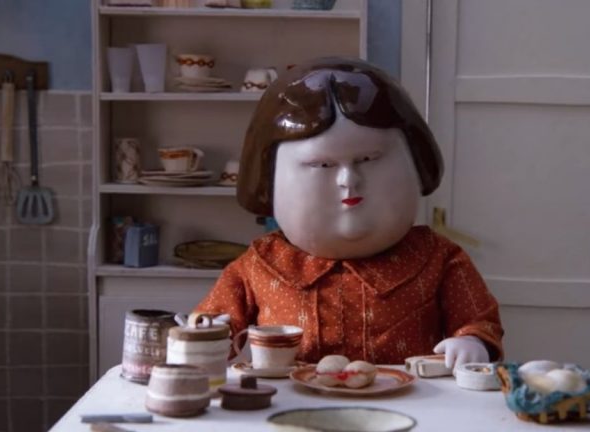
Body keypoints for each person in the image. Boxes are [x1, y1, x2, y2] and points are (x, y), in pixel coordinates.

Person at [190, 57, 503, 368]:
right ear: (269, 179)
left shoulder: (438, 259)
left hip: (411, 396)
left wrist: (471, 342)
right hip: (292, 396)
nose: (348, 180)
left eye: (368, 159)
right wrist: (208, 334)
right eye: (322, 165)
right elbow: (213, 324)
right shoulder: (260, 264)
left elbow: (478, 320)